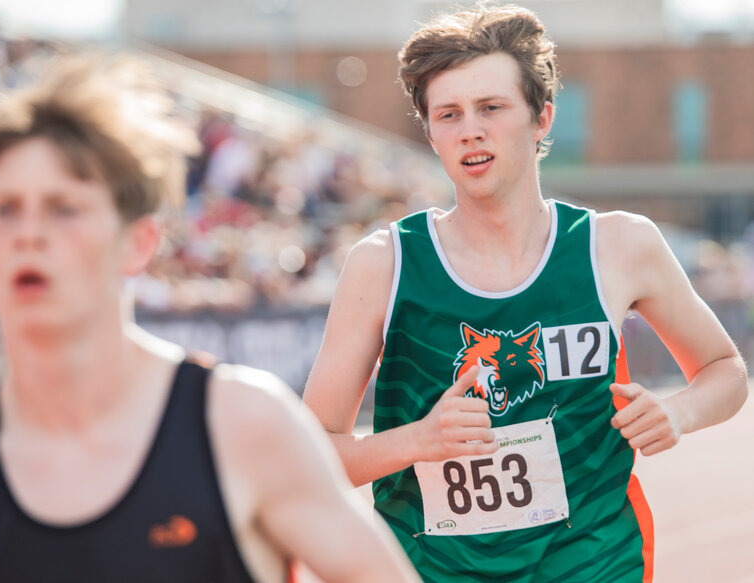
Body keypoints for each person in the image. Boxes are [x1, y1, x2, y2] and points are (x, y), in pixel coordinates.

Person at [0, 54, 419, 583]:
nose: (29, 235)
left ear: (140, 241)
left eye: (64, 208)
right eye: (5, 209)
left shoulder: (246, 428)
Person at [302, 4, 748, 582]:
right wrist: (419, 439)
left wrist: (676, 411)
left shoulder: (618, 246)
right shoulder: (383, 265)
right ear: (432, 133)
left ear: (541, 118)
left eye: (491, 108)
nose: (471, 130)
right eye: (449, 114)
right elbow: (309, 456)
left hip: (593, 561)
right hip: (430, 570)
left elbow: (724, 368)